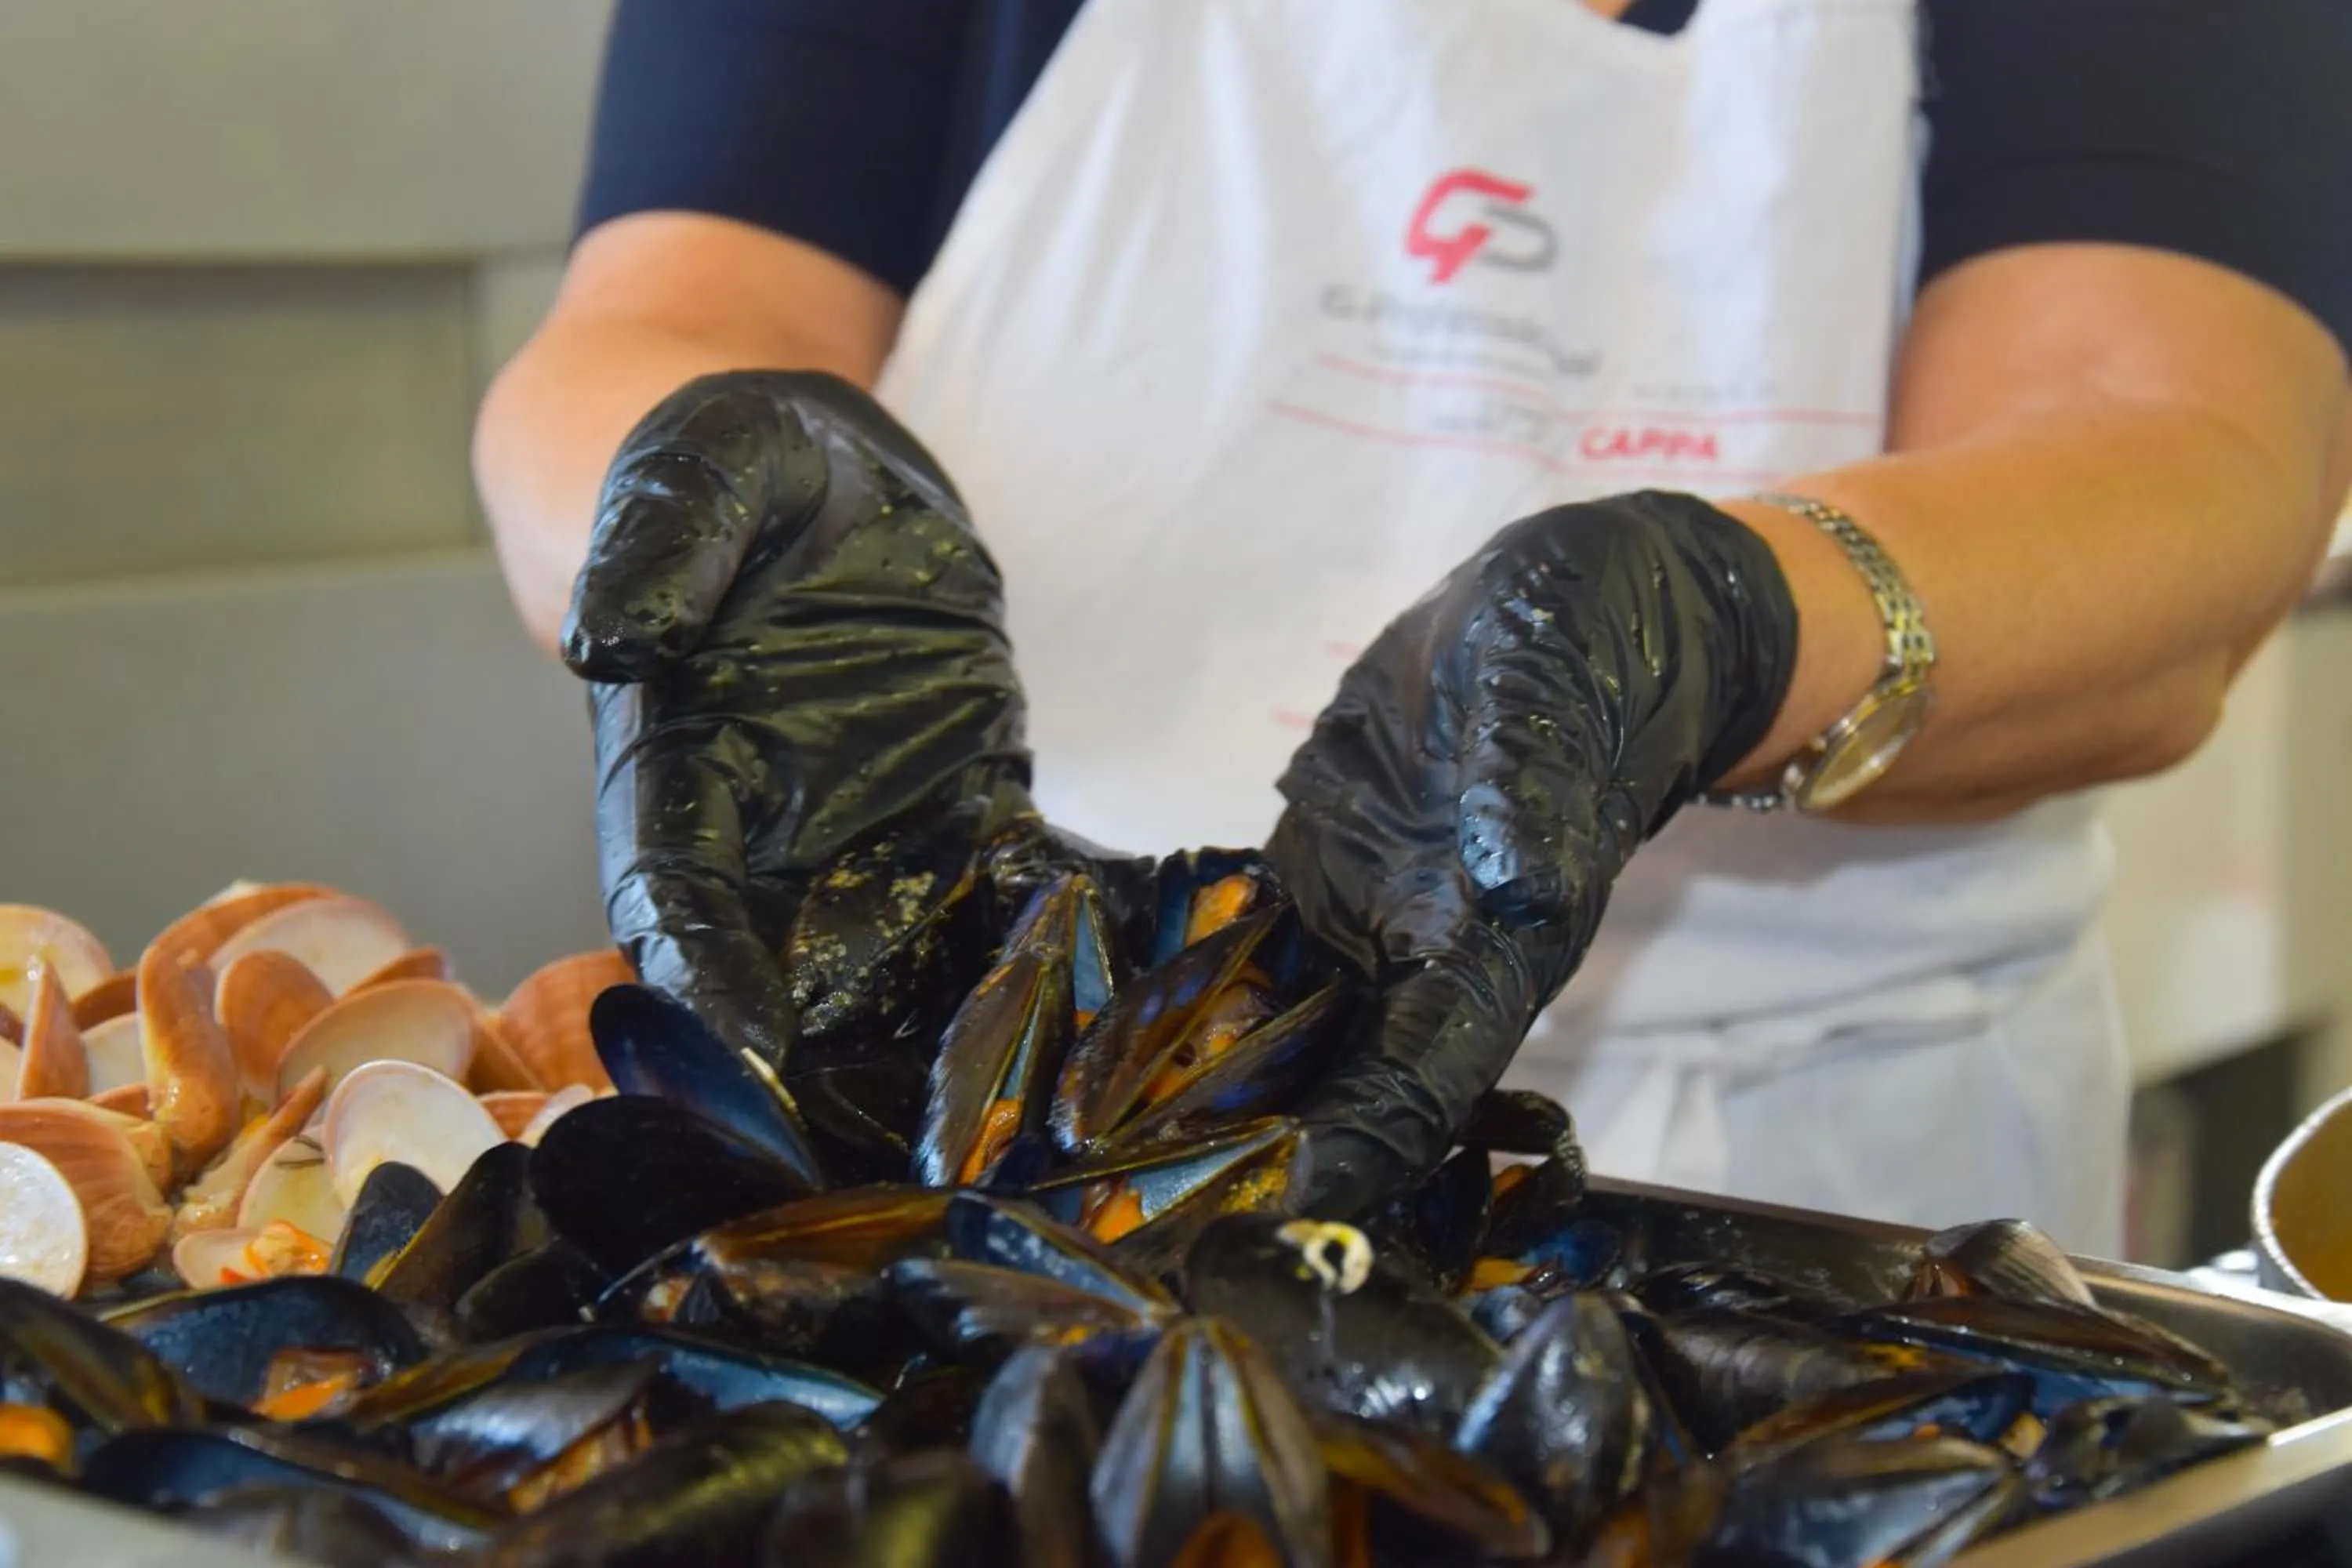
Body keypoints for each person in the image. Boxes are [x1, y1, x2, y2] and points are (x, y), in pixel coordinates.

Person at [476, 0, 2352, 1250]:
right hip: (985, 1105)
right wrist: (707, 515)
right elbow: (656, 326)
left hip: (1828, 1178)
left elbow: (2180, 451)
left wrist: (1713, 627)